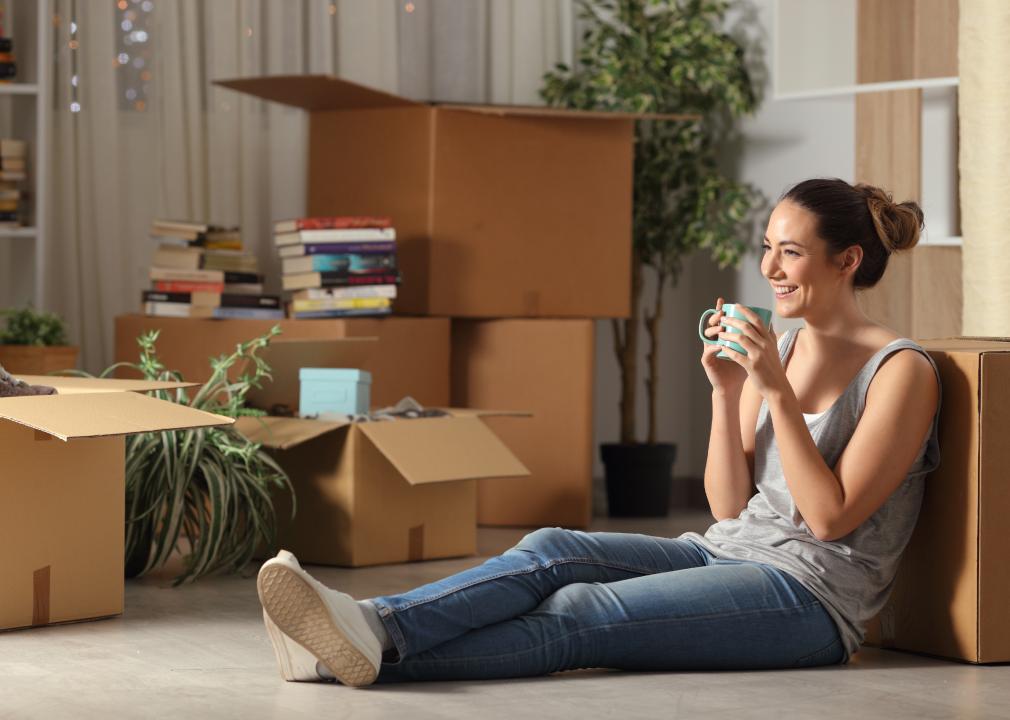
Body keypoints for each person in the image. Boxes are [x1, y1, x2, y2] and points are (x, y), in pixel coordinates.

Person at [255, 177, 941, 687]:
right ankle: (368, 626)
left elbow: (826, 519)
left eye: (789, 253)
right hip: (727, 551)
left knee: (581, 612)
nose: (768, 270)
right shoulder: (786, 350)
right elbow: (729, 507)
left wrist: (773, 394)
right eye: (767, 248)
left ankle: (340, 652)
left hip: (810, 600)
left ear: (847, 261)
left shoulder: (900, 372)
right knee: (554, 550)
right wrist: (725, 392)